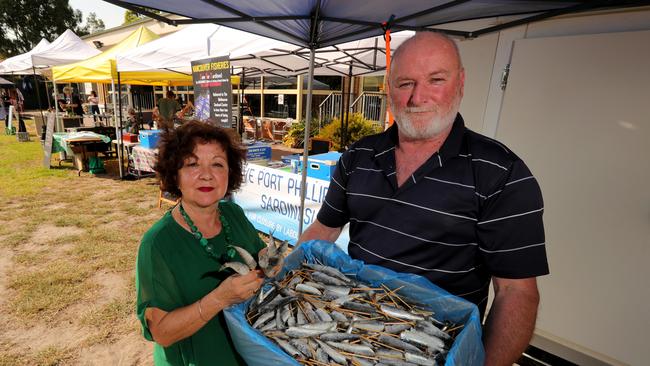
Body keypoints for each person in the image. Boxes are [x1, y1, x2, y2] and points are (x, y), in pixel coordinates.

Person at [298, 32, 549, 366]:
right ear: (388, 88)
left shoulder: (500, 172)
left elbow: (516, 293)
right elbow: (323, 230)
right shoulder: (358, 156)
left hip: (434, 348)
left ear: (460, 83)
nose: (418, 97)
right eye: (405, 83)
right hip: (351, 334)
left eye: (436, 80)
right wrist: (279, 276)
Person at [136, 121, 279, 365]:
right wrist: (219, 299)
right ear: (174, 175)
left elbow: (260, 257)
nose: (207, 174)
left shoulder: (233, 213)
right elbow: (161, 332)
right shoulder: (158, 244)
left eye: (217, 164)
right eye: (192, 164)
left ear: (229, 174)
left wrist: (271, 261)